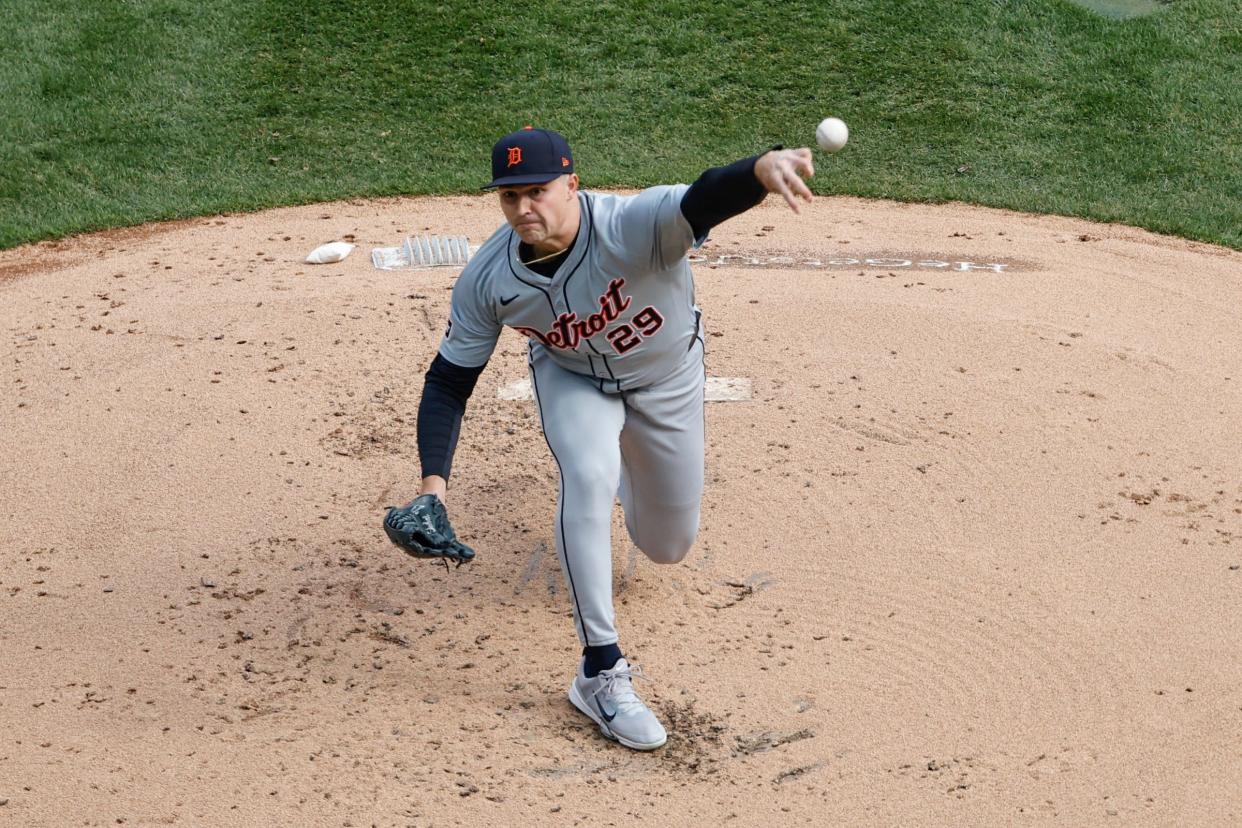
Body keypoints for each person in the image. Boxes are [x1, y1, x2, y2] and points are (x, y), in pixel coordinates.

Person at [385, 126, 814, 750]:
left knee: (666, 545)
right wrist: (432, 488)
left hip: (667, 377)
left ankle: (627, 462)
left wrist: (756, 171)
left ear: (572, 185)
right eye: (510, 197)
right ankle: (600, 672)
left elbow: (702, 198)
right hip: (573, 378)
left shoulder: (631, 224)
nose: (524, 209)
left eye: (537, 192)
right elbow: (450, 381)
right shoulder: (486, 279)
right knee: (584, 476)